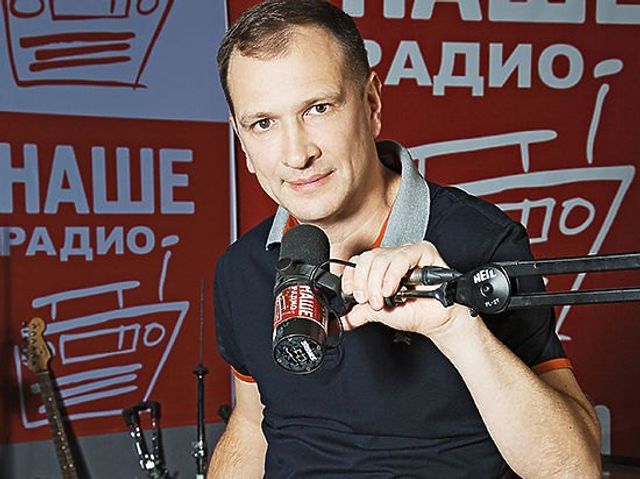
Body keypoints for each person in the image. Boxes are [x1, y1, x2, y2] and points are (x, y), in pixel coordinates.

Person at [208, 1, 601, 477]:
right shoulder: (241, 269)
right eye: (264, 123)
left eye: (318, 108)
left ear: (371, 104)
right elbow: (252, 425)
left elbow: (573, 468)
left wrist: (456, 329)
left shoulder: (482, 242)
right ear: (242, 142)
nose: (296, 154)